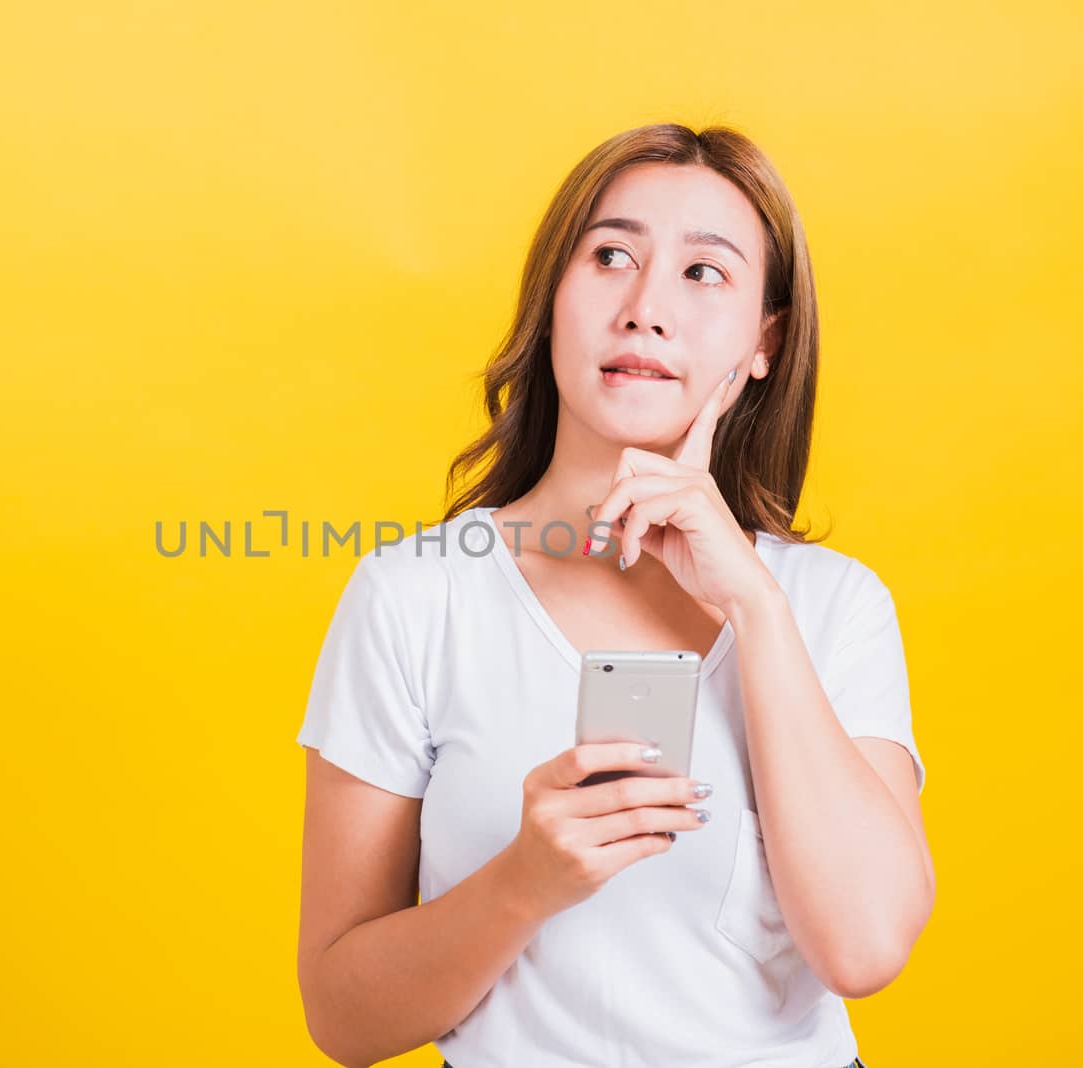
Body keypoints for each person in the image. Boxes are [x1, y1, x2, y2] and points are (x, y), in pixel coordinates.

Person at [295, 122, 932, 1068]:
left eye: (703, 272)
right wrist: (523, 882)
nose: (645, 308)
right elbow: (344, 1021)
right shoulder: (414, 597)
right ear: (553, 302)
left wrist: (753, 608)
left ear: (765, 340)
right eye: (610, 256)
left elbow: (867, 947)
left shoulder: (830, 606)